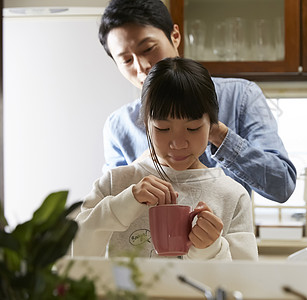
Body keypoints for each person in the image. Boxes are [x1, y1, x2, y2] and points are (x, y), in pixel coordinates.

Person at [99, 0, 297, 203]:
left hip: (228, 234)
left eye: (148, 49)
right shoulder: (119, 125)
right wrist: (144, 165)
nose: (142, 68)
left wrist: (218, 134)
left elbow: (282, 187)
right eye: (127, 60)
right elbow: (108, 207)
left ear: (175, 36)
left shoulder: (241, 96)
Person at [72, 57, 258, 260]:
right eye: (163, 128)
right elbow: (77, 255)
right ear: (145, 124)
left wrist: (211, 249)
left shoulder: (232, 195)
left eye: (192, 128)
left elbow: (243, 284)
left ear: (212, 124)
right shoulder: (114, 183)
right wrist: (124, 203)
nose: (178, 143)